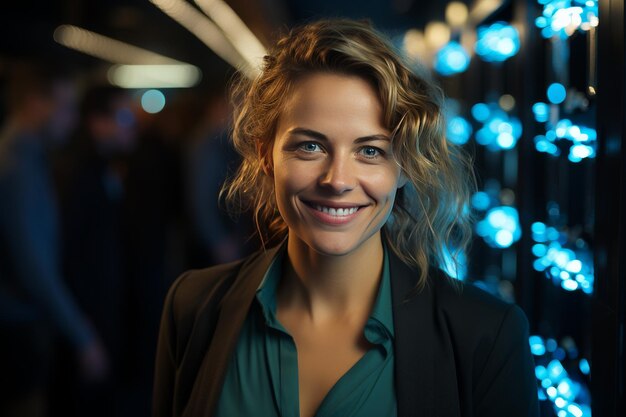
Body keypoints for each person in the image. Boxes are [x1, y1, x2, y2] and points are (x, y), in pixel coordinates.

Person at [153, 19, 538, 417]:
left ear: (404, 165)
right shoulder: (193, 306)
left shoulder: (487, 335)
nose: (337, 180)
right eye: (310, 146)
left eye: (370, 151)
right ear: (266, 154)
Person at [0, 61, 108, 417]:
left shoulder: (26, 159)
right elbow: (34, 266)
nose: (71, 119)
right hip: (16, 330)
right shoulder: (17, 166)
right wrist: (81, 335)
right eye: (63, 107)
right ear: (34, 103)